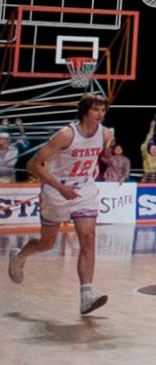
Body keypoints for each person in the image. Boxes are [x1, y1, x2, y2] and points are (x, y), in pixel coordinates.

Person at [8, 94, 113, 315]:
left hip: (83, 190)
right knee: (47, 243)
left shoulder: (105, 134)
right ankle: (20, 255)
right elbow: (33, 165)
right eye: (96, 110)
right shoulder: (66, 135)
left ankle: (86, 296)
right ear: (85, 111)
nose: (100, 114)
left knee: (88, 239)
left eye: (103, 110)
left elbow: (97, 157)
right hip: (56, 191)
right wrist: (60, 187)